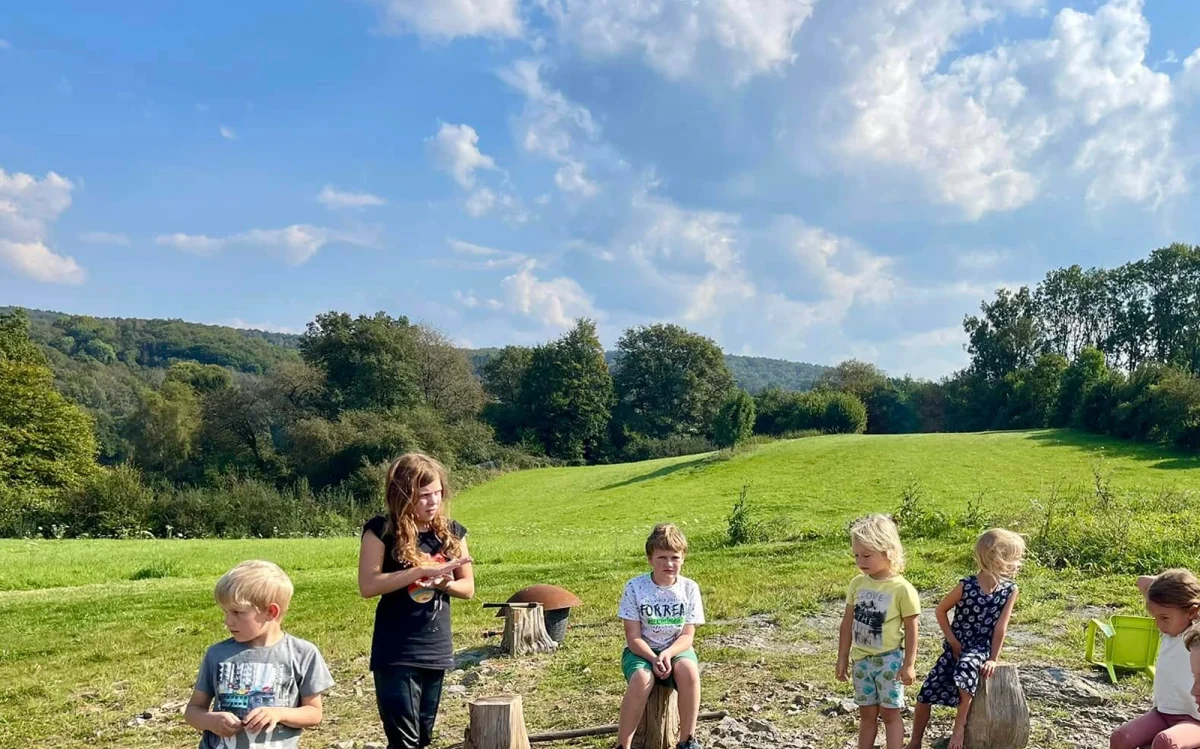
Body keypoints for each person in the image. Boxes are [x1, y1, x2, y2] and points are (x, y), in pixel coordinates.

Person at [358, 453, 474, 749]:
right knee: (403, 741)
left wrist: (443, 582)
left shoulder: (452, 533)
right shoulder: (381, 530)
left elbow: (468, 588)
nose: (433, 502)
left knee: (422, 737)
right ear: (401, 495)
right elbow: (368, 585)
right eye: (423, 496)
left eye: (437, 493)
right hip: (396, 649)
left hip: (435, 647)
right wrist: (418, 572)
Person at [184, 560, 334, 749]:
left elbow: (314, 713)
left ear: (270, 612)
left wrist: (279, 714)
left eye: (237, 612)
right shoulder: (217, 654)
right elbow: (193, 711)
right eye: (225, 612)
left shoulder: (302, 653)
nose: (228, 621)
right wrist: (211, 721)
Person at [906, 529, 1024, 749]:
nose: (1016, 563)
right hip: (958, 644)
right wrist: (952, 640)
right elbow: (941, 610)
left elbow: (1001, 627)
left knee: (966, 668)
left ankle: (959, 727)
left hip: (980, 647)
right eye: (1012, 558)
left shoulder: (1009, 590)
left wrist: (993, 658)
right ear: (997, 559)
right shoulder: (967, 585)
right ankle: (915, 741)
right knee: (925, 693)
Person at [615, 523, 706, 749]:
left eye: (674, 557)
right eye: (661, 558)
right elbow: (633, 636)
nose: (668, 564)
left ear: (683, 558)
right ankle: (622, 744)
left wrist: (667, 653)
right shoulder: (635, 587)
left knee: (690, 672)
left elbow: (687, 635)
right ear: (650, 559)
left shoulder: (689, 588)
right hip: (642, 650)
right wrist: (654, 658)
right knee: (642, 679)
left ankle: (687, 739)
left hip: (676, 648)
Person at [837, 514, 920, 749]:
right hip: (861, 660)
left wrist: (909, 664)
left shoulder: (902, 589)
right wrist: (842, 656)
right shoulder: (857, 584)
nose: (860, 561)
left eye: (866, 555)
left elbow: (912, 628)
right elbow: (847, 623)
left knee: (890, 713)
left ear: (888, 552)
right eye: (856, 555)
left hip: (889, 661)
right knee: (866, 714)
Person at [1110, 569, 1200, 749]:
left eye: (1164, 618)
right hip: (1162, 713)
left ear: (1191, 612)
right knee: (1120, 737)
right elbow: (1141, 581)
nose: (1158, 624)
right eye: (1155, 617)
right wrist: (1177, 586)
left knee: (1164, 742)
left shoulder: (1195, 633)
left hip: (1195, 720)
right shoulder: (1169, 631)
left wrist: (1193, 595)